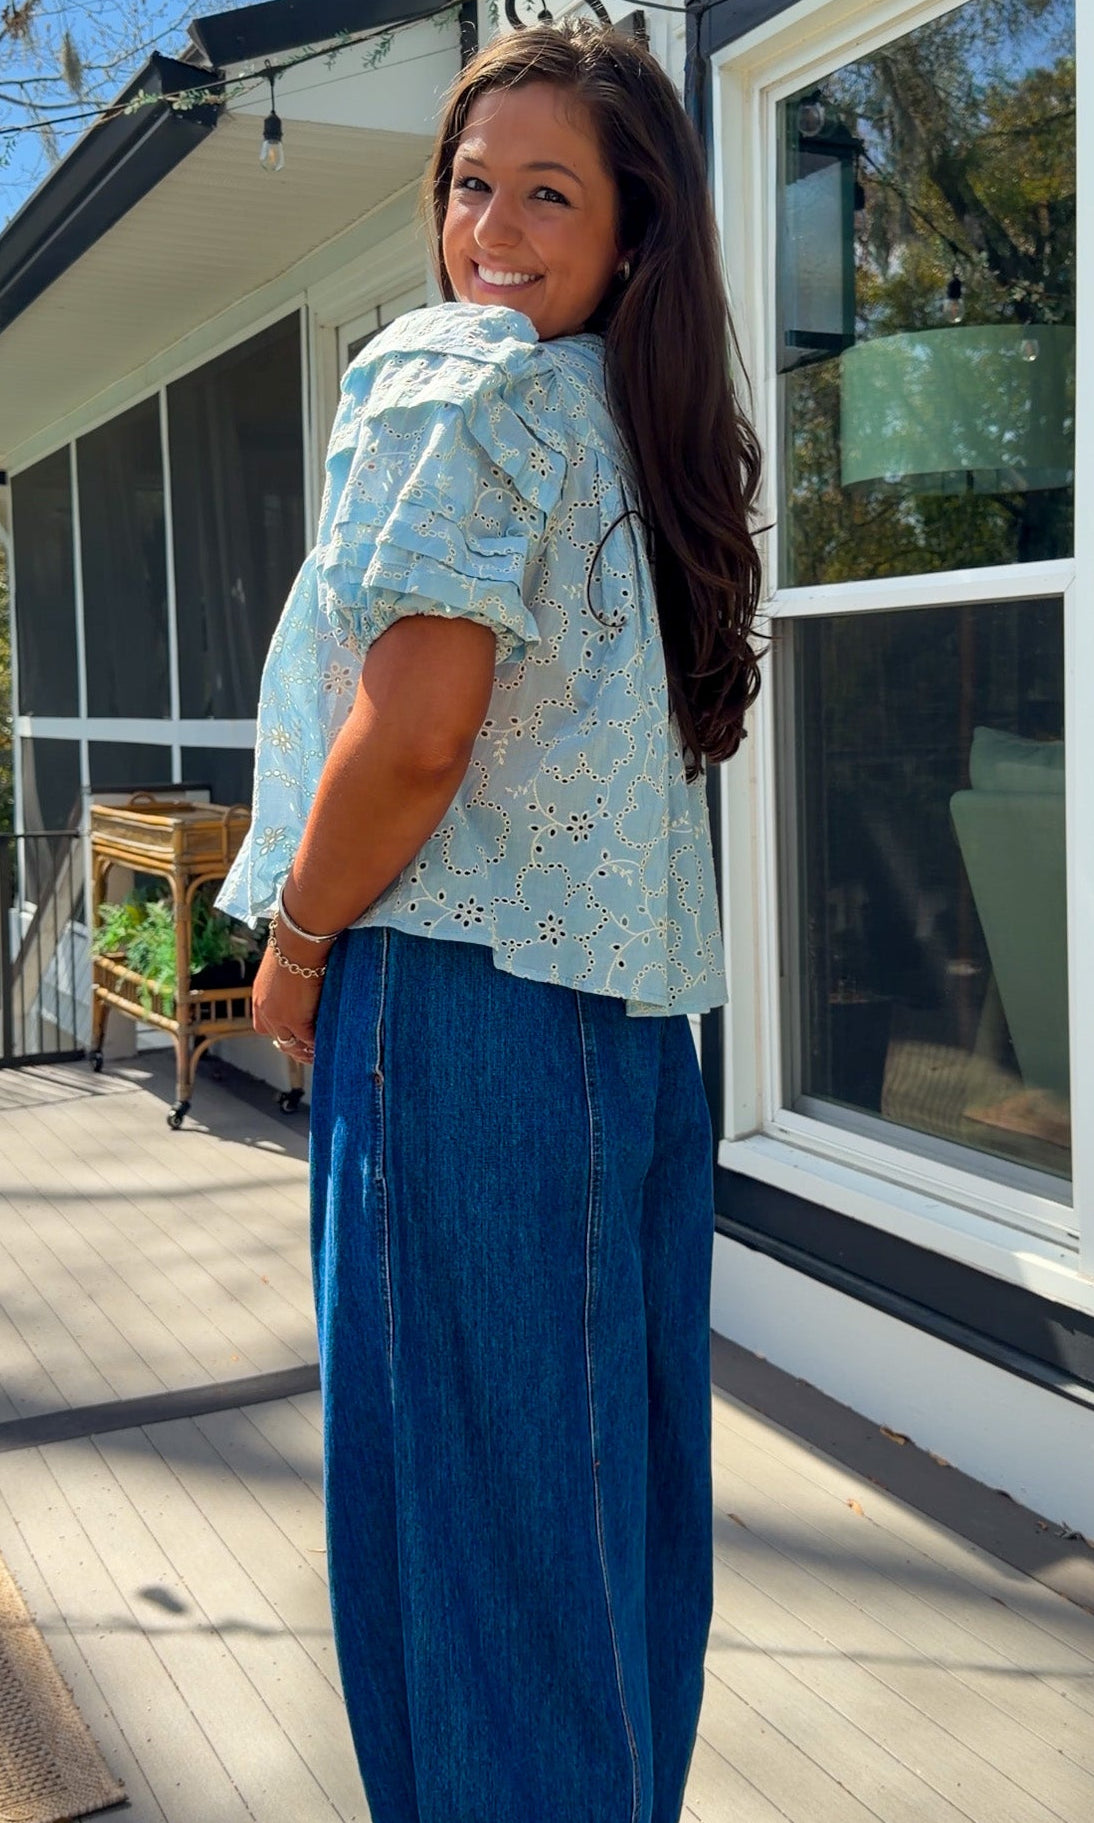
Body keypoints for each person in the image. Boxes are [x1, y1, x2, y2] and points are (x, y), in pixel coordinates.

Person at [217, 18, 762, 1822]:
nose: (493, 233)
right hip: (629, 1037)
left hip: (459, 1017)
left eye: (550, 194)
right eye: (470, 187)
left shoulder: (455, 378)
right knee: (603, 1532)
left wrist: (295, 946)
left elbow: (417, 733)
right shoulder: (631, 427)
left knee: (459, 1540)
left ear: (632, 231)